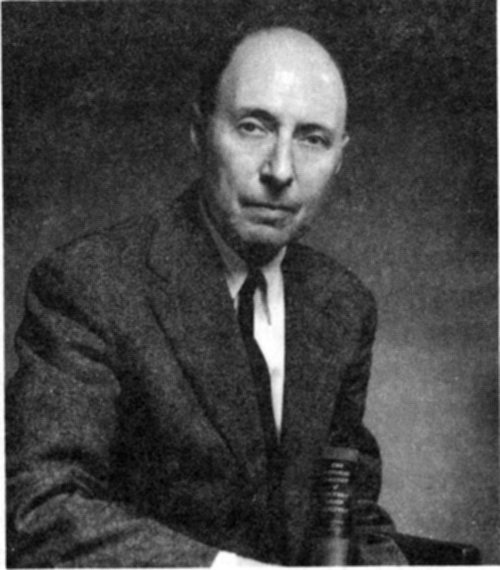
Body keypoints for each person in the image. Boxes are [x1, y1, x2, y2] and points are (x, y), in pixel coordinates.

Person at [6, 22, 406, 567]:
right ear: (200, 132)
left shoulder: (343, 304)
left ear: (339, 156)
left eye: (312, 138)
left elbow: (347, 510)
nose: (281, 170)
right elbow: (40, 511)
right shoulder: (89, 283)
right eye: (253, 127)